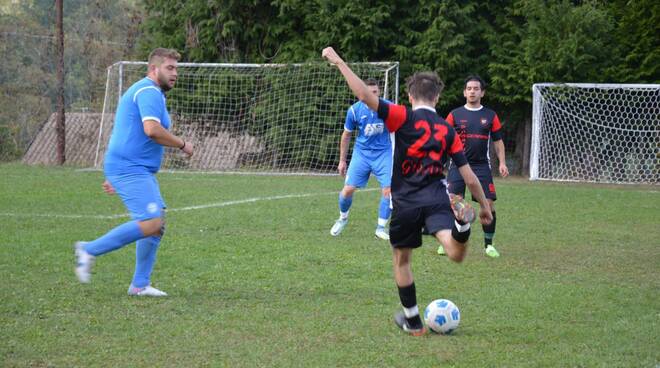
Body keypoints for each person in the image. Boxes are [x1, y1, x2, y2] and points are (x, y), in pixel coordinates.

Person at [322, 47, 492, 336]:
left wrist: (339, 61)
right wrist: (485, 207)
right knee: (455, 252)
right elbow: (469, 177)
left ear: (410, 96)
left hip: (406, 203)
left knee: (402, 260)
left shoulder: (402, 116)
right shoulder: (447, 129)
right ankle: (462, 225)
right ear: (437, 98)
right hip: (438, 199)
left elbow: (364, 95)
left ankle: (413, 321)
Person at [74, 48, 194, 296]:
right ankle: (88, 249)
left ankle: (139, 285)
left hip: (131, 167)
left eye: (176, 69)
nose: (175, 74)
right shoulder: (149, 91)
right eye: (169, 68)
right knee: (151, 223)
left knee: (157, 225)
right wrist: (182, 144)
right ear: (153, 69)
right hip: (131, 168)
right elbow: (151, 130)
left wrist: (115, 174)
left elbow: (128, 130)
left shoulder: (151, 92)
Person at [441, 75, 508, 258]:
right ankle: (448, 240)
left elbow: (498, 142)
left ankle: (489, 245)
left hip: (481, 166)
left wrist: (502, 162)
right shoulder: (454, 114)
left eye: (476, 88)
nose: (472, 91)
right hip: (457, 165)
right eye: (469, 88)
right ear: (464, 92)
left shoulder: (490, 115)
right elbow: (443, 140)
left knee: (489, 204)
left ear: (482, 92)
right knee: (455, 203)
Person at [330, 78, 392, 241]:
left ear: (379, 93)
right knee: (347, 190)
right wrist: (342, 161)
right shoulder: (354, 111)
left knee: (389, 190)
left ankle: (381, 228)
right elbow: (346, 135)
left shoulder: (388, 107)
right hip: (362, 154)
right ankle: (342, 218)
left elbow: (400, 128)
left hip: (383, 154)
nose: (372, 96)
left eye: (375, 92)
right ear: (361, 94)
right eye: (368, 93)